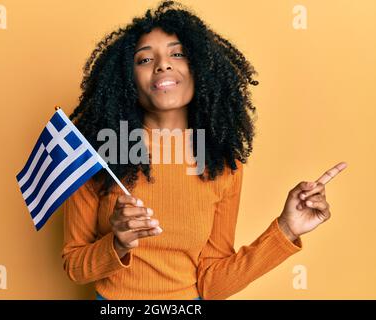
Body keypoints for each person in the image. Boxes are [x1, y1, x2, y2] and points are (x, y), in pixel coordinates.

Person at [61, 1, 347, 300]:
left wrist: (286, 229)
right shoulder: (96, 154)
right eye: (144, 60)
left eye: (178, 53)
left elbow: (213, 283)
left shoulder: (222, 164)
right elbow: (74, 266)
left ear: (199, 69)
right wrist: (117, 243)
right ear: (126, 80)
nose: (163, 64)